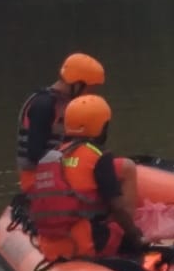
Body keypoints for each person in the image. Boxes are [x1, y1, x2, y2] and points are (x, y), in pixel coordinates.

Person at [27, 93, 146, 261]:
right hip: (83, 243)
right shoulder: (98, 157)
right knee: (135, 245)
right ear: (100, 127)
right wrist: (135, 235)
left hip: (49, 245)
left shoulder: (52, 156)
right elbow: (117, 207)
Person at [16, 53, 106, 192]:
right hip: (38, 180)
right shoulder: (44, 105)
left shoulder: (63, 103)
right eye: (90, 89)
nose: (91, 94)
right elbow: (34, 153)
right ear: (77, 84)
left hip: (57, 175)